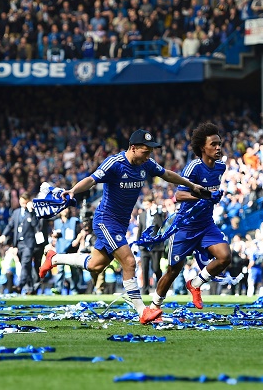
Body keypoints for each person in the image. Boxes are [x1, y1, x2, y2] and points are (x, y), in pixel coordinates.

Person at [38, 129, 211, 324]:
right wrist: (73, 190)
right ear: (133, 148)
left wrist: (191, 186)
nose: (149, 156)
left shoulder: (147, 164)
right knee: (129, 262)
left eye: (150, 152)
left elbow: (167, 174)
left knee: (96, 265)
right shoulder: (115, 163)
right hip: (105, 221)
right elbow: (91, 179)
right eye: (145, 151)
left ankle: (54, 258)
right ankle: (142, 311)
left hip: (120, 224)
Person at [150, 123, 233, 311]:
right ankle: (154, 307)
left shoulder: (220, 167)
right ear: (202, 148)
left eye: (219, 144)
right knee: (173, 270)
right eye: (213, 144)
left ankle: (195, 284)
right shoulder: (193, 167)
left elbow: (212, 194)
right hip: (185, 226)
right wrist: (205, 195)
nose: (218, 148)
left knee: (225, 256)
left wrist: (214, 197)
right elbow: (179, 196)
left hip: (205, 225)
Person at [0, 193, 40, 294]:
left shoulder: (32, 212)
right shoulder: (16, 212)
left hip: (29, 243)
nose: (23, 203)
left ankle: (20, 285)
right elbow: (10, 225)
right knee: (27, 266)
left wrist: (31, 211)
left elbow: (36, 226)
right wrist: (4, 234)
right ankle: (31, 288)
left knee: (25, 263)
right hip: (18, 243)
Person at [136, 195, 165, 295]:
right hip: (144, 246)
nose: (146, 207)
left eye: (147, 204)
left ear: (152, 203)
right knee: (144, 268)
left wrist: (156, 213)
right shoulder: (142, 215)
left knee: (156, 268)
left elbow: (161, 226)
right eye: (145, 205)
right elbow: (140, 229)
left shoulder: (159, 214)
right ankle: (145, 290)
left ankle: (160, 287)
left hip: (156, 246)